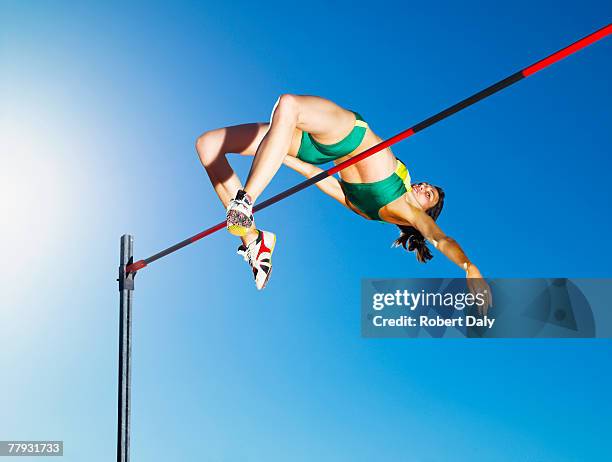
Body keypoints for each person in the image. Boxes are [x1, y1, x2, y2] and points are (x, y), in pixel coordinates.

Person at [195, 95, 491, 308]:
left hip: (319, 149)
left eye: (429, 194)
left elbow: (440, 239)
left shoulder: (388, 212)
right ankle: (253, 236)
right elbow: (316, 173)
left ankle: (247, 211)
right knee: (208, 145)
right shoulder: (398, 185)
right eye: (426, 184)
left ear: (426, 211)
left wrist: (468, 266)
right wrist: (276, 150)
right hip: (345, 131)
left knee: (288, 105)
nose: (424, 187)